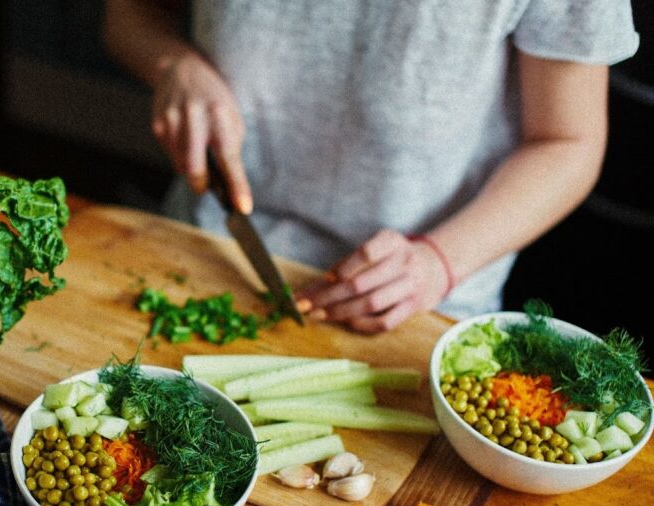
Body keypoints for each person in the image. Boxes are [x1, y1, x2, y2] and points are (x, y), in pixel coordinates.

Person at [101, 1, 639, 332]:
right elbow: (127, 14)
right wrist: (173, 64)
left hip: (415, 308)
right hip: (202, 253)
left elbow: (568, 142)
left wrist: (436, 263)